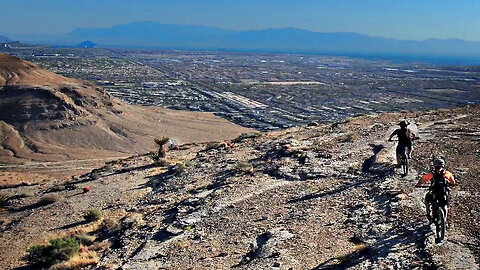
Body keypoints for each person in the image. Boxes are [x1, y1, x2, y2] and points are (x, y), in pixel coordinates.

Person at [415, 158, 455, 224]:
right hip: (444, 193)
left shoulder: (431, 174)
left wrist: (418, 184)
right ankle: (444, 220)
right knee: (445, 205)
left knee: (427, 200)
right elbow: (453, 182)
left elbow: (423, 180)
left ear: (434, 166)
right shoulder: (447, 174)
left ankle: (428, 213)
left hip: (434, 192)